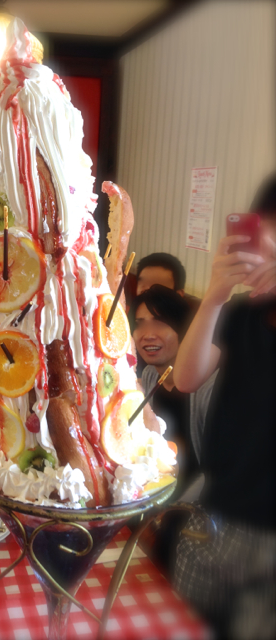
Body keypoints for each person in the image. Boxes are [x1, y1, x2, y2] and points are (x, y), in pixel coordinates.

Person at [172, 174, 276, 638]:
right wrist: (215, 294)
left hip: (270, 543)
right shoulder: (241, 314)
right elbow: (186, 377)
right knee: (178, 625)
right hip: (214, 515)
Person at [130, 285, 217, 579]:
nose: (147, 334)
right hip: (153, 505)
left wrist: (166, 515)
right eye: (140, 324)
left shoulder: (208, 388)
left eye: (159, 322)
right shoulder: (148, 376)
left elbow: (214, 470)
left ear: (184, 330)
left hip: (198, 516)